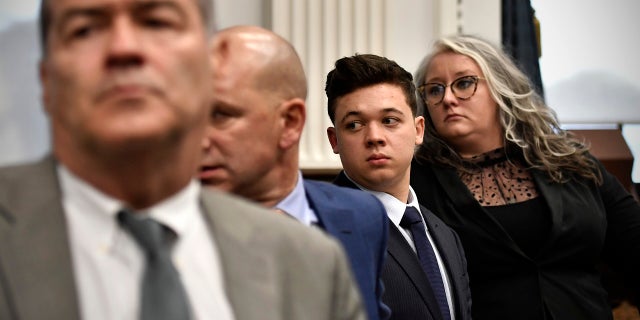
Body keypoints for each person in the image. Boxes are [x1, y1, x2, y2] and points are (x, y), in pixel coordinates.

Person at [0, 1, 366, 319]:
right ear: (46, 81)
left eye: (157, 21)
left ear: (210, 70)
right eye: (84, 29)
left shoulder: (307, 264)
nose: (124, 48)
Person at [410, 34, 640, 320]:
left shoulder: (569, 161)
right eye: (434, 90)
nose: (447, 98)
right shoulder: (415, 183)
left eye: (464, 83)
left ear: (500, 88)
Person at [199, 25, 390, 320]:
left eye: (220, 115)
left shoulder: (363, 216)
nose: (198, 139)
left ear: (289, 122)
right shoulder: (158, 232)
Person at [326, 53, 472, 320]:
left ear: (418, 130)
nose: (374, 137)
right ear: (335, 140)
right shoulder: (320, 232)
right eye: (355, 124)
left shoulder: (446, 236)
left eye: (389, 120)